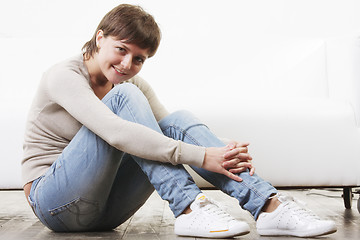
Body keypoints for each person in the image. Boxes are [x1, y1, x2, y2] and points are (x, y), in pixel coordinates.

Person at [22, 4, 337, 238]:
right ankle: (188, 206)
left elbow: (172, 129)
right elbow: (117, 133)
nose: (126, 64)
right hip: (55, 204)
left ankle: (268, 206)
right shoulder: (63, 76)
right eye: (121, 50)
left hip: (107, 211)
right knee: (127, 97)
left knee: (176, 119)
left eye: (139, 59)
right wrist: (202, 156)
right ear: (99, 38)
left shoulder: (130, 82)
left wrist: (225, 151)